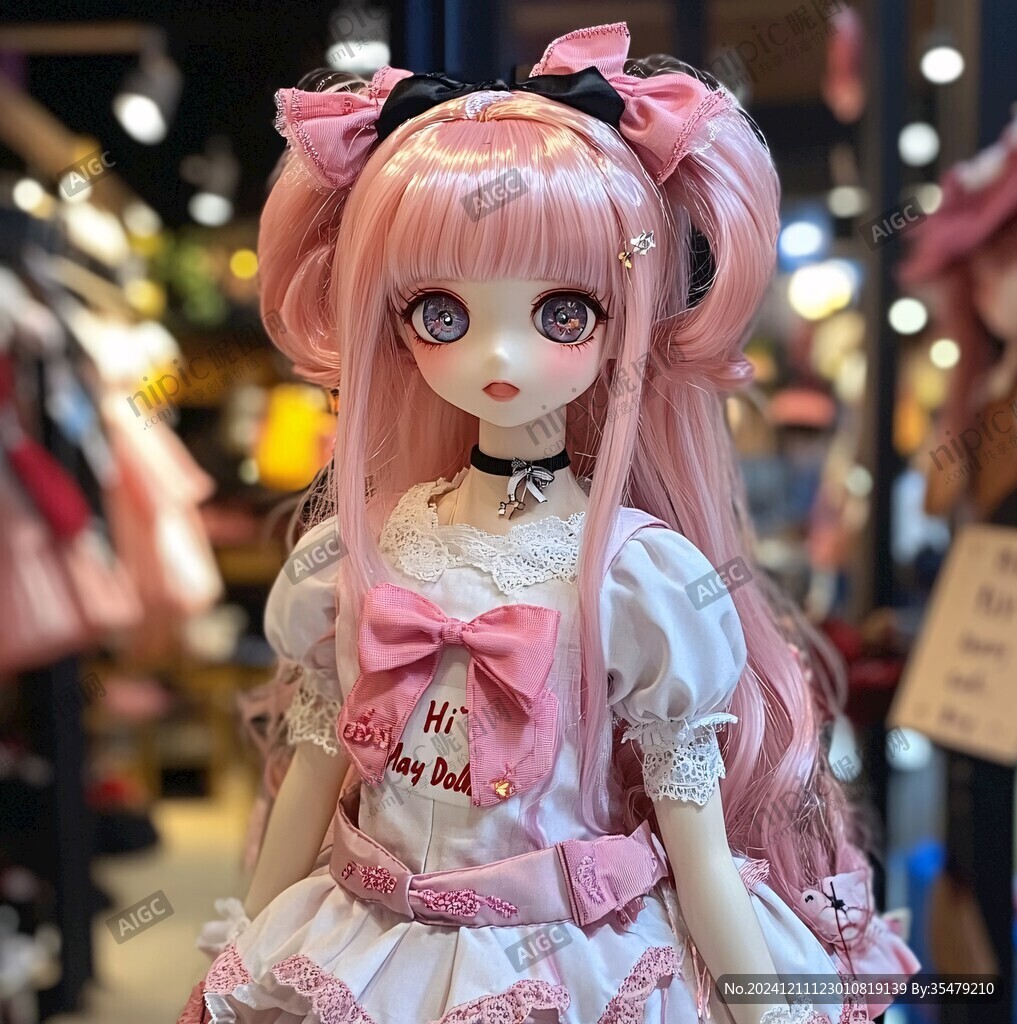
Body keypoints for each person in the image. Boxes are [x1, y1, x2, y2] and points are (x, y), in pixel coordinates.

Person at [179, 22, 917, 1024]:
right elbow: (312, 777)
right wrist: (244, 949)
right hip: (364, 948)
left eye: (563, 313)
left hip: (569, 958)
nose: (499, 355)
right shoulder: (351, 556)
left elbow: (695, 844)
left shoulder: (638, 578)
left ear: (621, 318)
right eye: (442, 313)